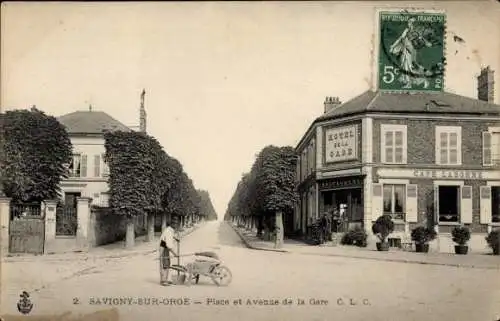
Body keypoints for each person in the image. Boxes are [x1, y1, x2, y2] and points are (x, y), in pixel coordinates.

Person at [159, 221, 178, 286]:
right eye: (175, 224)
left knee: (167, 263)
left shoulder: (170, 230)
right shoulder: (169, 231)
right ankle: (163, 281)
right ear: (172, 224)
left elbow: (172, 235)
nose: (176, 225)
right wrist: (175, 254)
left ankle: (165, 280)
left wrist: (175, 238)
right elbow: (169, 246)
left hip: (165, 246)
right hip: (164, 247)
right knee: (164, 264)